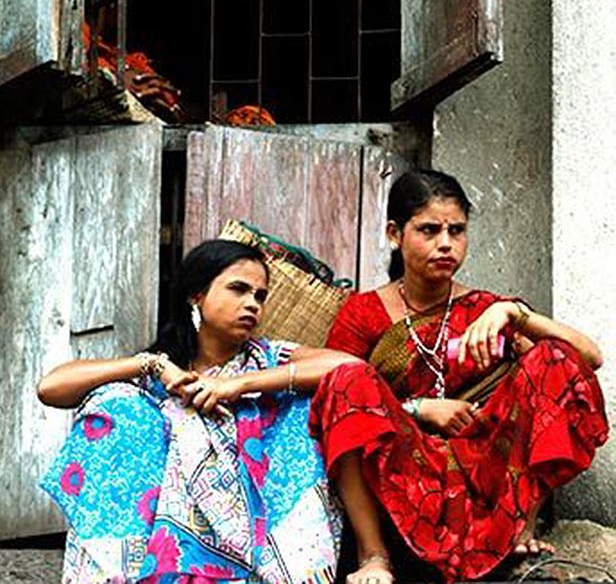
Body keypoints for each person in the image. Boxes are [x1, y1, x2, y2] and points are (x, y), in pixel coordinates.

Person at [309, 169, 608, 583]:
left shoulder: (488, 308)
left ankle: (519, 527)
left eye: (457, 230)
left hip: (484, 470)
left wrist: (514, 313)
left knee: (553, 359)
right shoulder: (364, 312)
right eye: (429, 230)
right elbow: (332, 395)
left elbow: (587, 358)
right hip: (402, 470)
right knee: (344, 379)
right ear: (395, 234)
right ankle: (373, 555)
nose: (445, 243)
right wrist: (420, 409)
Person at [37, 239, 360, 583]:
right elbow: (51, 388)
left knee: (302, 405)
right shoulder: (159, 374)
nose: (252, 304)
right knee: (116, 402)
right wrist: (153, 366)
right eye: (238, 289)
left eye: (260, 296)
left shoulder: (266, 359)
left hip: (260, 528)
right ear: (197, 294)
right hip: (159, 536)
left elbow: (350, 368)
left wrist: (242, 385)